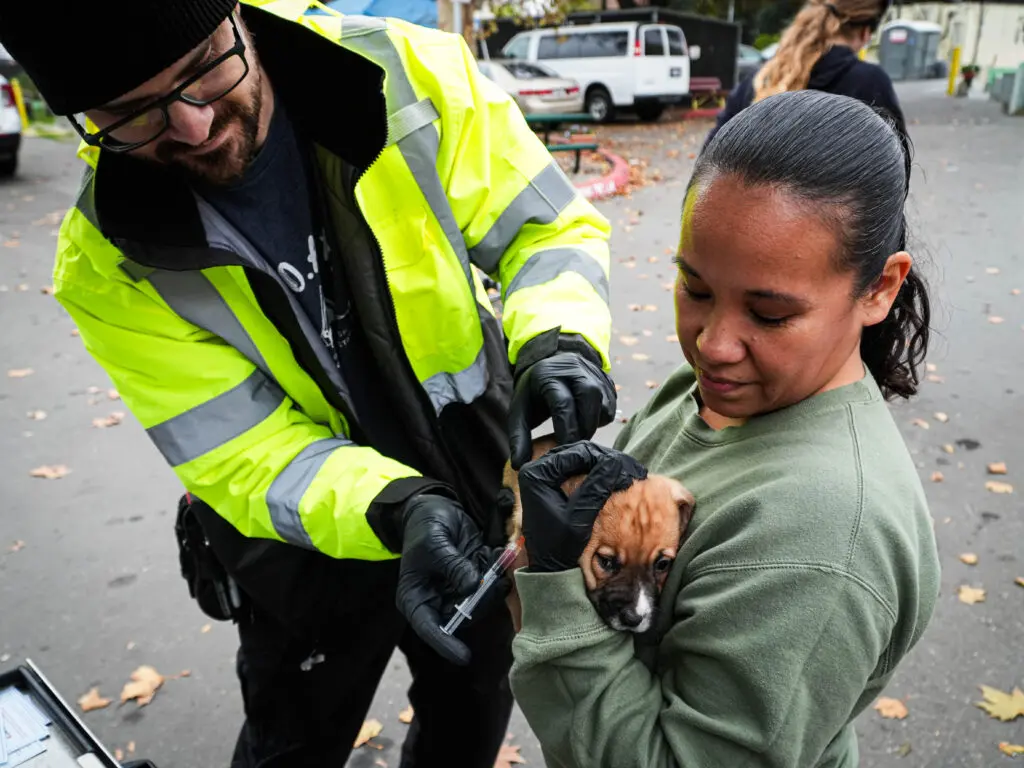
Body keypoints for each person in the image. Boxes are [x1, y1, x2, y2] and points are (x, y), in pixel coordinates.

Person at [0, 2, 616, 766]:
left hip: (479, 483)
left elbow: (543, 228)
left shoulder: (410, 77)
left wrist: (561, 341)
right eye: (131, 115)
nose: (191, 127)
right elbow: (242, 451)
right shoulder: (108, 261)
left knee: (471, 710)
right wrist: (394, 508)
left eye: (203, 71)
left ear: (238, 16)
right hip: (300, 556)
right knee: (291, 741)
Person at [509, 90, 941, 767]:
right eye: (696, 289)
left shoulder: (821, 535)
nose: (712, 344)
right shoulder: (727, 392)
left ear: (880, 289)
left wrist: (552, 588)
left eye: (768, 314)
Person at [706, 0, 904, 145]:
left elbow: (708, 162)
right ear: (865, 33)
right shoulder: (870, 83)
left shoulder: (759, 80)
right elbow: (894, 171)